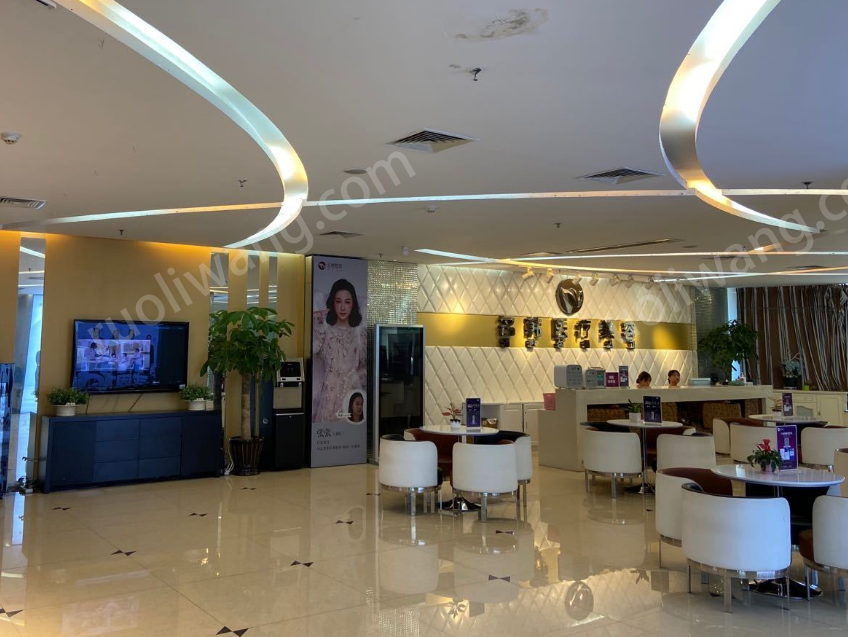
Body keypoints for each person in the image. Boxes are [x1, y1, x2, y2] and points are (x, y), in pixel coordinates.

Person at [312, 278, 367, 423]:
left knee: (351, 431)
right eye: (338, 301)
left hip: (351, 394)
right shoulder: (326, 330)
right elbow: (313, 348)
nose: (342, 307)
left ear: (353, 304)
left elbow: (366, 366)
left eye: (347, 302)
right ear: (332, 303)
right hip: (328, 396)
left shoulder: (359, 333)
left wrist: (352, 378)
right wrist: (317, 321)